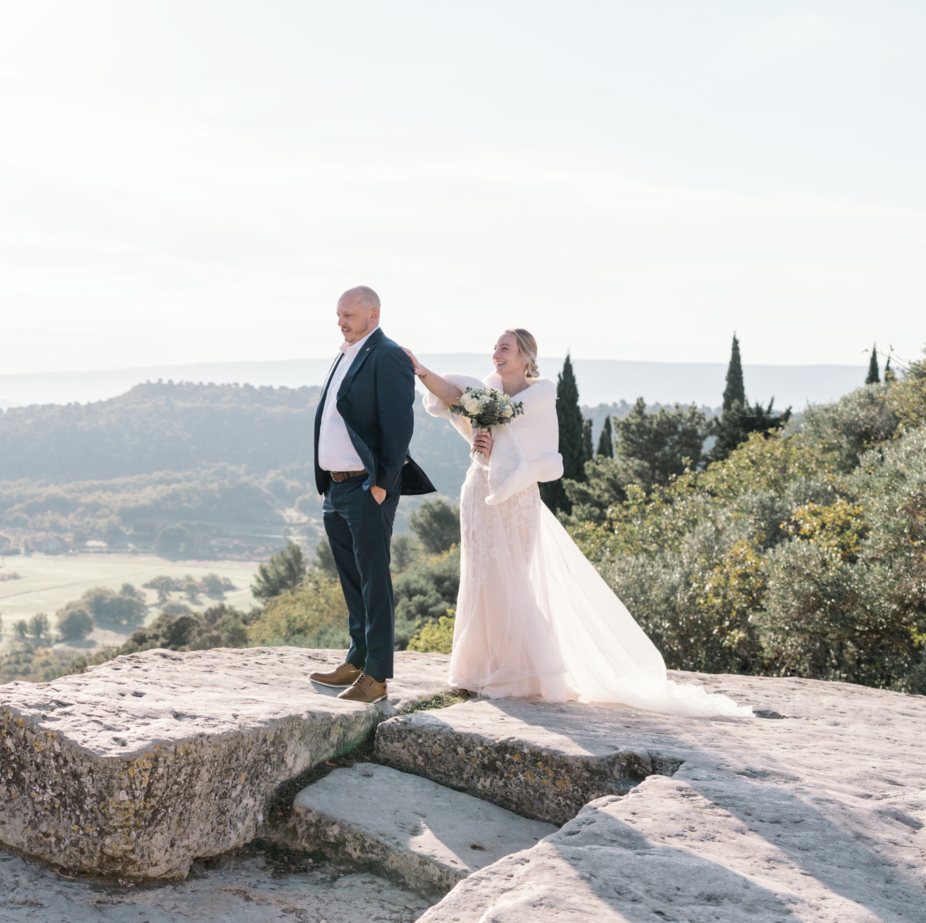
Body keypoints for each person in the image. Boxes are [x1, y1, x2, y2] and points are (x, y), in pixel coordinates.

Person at [406, 329, 751, 718]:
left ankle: (524, 671)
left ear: (524, 356)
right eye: (495, 348)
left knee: (513, 576)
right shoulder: (485, 393)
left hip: (518, 498)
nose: (496, 355)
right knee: (481, 574)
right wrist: (423, 373)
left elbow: (536, 448)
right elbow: (453, 398)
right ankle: (479, 668)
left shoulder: (538, 397)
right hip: (479, 490)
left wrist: (497, 441)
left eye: (504, 348)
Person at [307, 286, 433, 703]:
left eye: (349, 315)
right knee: (352, 580)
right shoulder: (346, 353)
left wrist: (381, 484)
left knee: (374, 582)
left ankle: (376, 677)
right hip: (336, 488)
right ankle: (357, 658)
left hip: (367, 489)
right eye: (339, 314)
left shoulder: (388, 354)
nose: (341, 321)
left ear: (373, 315)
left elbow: (399, 426)